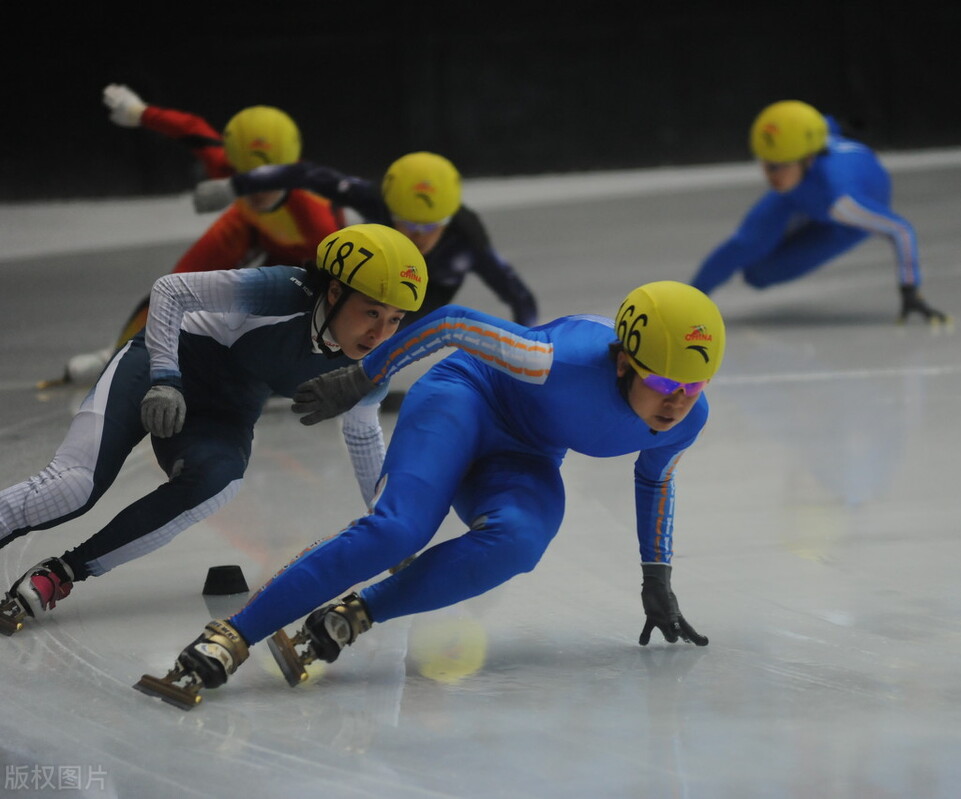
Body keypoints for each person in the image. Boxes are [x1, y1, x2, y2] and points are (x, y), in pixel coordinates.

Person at [135, 280, 722, 709]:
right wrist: (362, 375)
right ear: (622, 363)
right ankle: (233, 635)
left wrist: (657, 576)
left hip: (525, 455)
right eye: (663, 382)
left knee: (521, 542)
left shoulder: (688, 419)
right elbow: (452, 323)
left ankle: (355, 615)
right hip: (465, 399)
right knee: (399, 530)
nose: (677, 402)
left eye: (693, 387)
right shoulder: (556, 360)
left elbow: (656, 479)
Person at [0, 224, 428, 636]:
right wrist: (166, 377)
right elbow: (170, 290)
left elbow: (363, 435)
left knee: (219, 481)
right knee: (73, 486)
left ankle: (62, 573)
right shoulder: (282, 290)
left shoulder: (372, 366)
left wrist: (387, 525)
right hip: (163, 361)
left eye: (395, 319)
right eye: (371, 312)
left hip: (224, 407)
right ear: (334, 292)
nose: (380, 334)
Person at [46, 85, 342, 388]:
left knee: (290, 304)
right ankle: (119, 354)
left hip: (304, 257)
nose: (256, 192)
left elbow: (345, 286)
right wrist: (139, 112)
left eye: (267, 182)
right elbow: (194, 130)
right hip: (247, 227)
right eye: (246, 179)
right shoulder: (227, 168)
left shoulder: (317, 220)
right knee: (174, 287)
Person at [193, 150, 539, 328]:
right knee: (318, 292)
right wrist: (235, 186)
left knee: (378, 325)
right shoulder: (374, 199)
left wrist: (526, 358)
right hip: (382, 261)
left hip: (428, 289)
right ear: (389, 208)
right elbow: (307, 174)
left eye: (431, 226)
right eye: (406, 222)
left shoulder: (470, 240)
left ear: (448, 221)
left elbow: (521, 298)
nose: (417, 236)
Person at [689, 99, 948, 323]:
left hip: (845, 223)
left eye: (779, 166)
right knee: (745, 245)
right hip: (801, 194)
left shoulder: (842, 200)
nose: (770, 175)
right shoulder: (801, 149)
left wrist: (909, 291)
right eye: (765, 164)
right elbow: (817, 124)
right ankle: (691, 300)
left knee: (759, 275)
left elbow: (901, 230)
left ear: (809, 158)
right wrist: (842, 124)